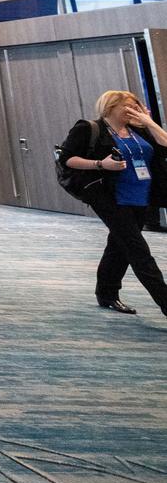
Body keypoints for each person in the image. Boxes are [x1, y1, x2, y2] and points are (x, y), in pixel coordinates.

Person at [58, 90, 167, 316]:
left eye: (136, 105)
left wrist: (149, 123)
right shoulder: (89, 128)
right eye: (128, 106)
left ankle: (106, 293)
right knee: (139, 251)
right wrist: (101, 164)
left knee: (119, 245)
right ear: (111, 106)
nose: (134, 110)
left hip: (141, 196)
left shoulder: (139, 130)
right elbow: (67, 159)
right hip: (109, 197)